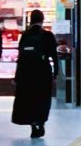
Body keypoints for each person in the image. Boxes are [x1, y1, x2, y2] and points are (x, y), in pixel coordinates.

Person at [12, 10, 58, 139]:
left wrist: (17, 76)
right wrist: (56, 73)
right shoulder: (47, 35)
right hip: (43, 71)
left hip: (27, 72)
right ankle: (40, 121)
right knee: (43, 97)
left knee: (30, 97)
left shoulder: (25, 35)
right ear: (42, 20)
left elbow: (20, 56)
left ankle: (33, 123)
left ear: (30, 20)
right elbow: (54, 56)